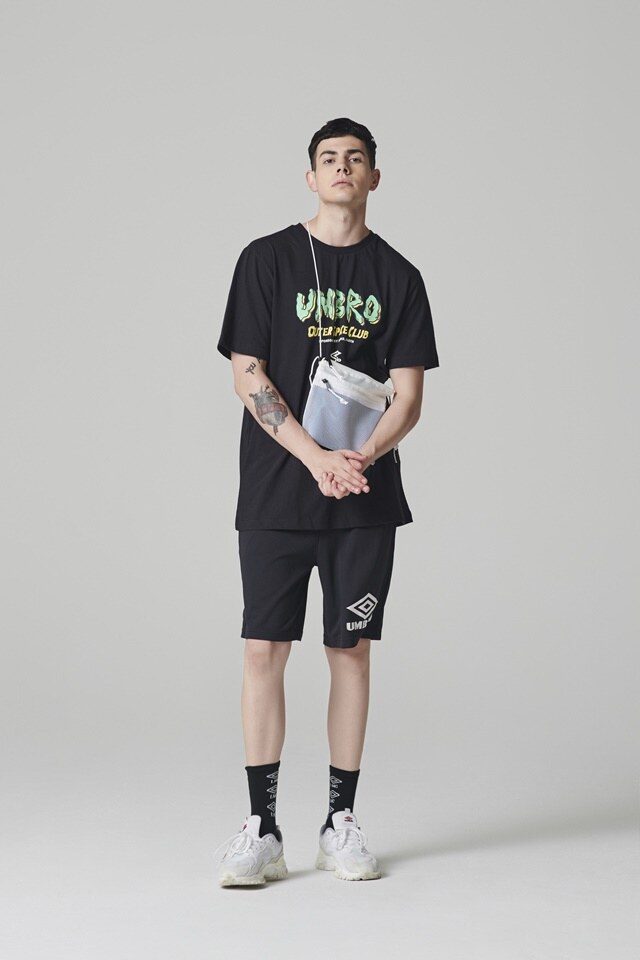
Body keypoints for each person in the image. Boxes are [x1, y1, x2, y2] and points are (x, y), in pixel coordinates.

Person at [215, 118, 439, 886]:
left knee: (351, 652)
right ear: (310, 178)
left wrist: (357, 460)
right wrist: (314, 458)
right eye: (328, 158)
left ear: (374, 177)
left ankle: (339, 821)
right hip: (277, 491)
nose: (343, 167)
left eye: (356, 159)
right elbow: (247, 374)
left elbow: (409, 397)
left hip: (363, 497)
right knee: (262, 650)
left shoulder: (399, 277)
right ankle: (262, 826)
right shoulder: (267, 260)